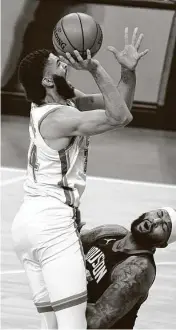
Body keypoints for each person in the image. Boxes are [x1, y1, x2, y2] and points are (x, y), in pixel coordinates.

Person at [11, 27, 148, 329]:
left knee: (53, 327)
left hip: (28, 226)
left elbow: (119, 106)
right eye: (57, 63)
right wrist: (96, 67)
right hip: (52, 228)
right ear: (47, 80)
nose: (66, 62)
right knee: (75, 326)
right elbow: (119, 118)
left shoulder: (64, 104)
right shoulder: (59, 118)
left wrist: (127, 72)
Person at [81, 207, 176, 329]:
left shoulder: (138, 269)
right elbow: (70, 242)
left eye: (163, 227)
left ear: (161, 244)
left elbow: (94, 322)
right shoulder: (112, 232)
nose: (155, 221)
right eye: (159, 214)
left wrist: (73, 283)